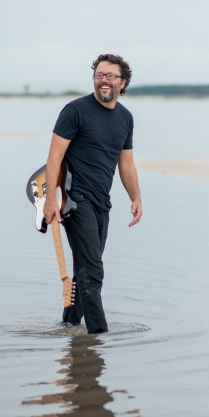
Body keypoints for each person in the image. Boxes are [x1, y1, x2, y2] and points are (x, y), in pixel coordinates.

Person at [43, 54, 142, 333]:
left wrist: (135, 197)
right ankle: (98, 337)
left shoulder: (125, 118)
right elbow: (54, 156)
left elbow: (126, 163)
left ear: (123, 83)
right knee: (93, 271)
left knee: (84, 271)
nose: (104, 80)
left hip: (102, 203)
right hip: (75, 200)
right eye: (99, 75)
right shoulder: (75, 111)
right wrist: (51, 199)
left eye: (111, 76)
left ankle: (69, 326)